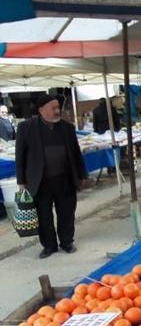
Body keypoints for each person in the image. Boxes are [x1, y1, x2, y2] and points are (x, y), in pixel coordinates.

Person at [16, 94, 88, 259]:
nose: (57, 111)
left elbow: (76, 153)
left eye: (58, 108)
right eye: (53, 108)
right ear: (41, 110)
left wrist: (82, 174)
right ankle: (49, 245)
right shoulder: (26, 128)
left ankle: (66, 242)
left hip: (65, 179)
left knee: (67, 212)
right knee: (44, 215)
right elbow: (19, 156)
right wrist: (22, 181)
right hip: (40, 181)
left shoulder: (67, 128)